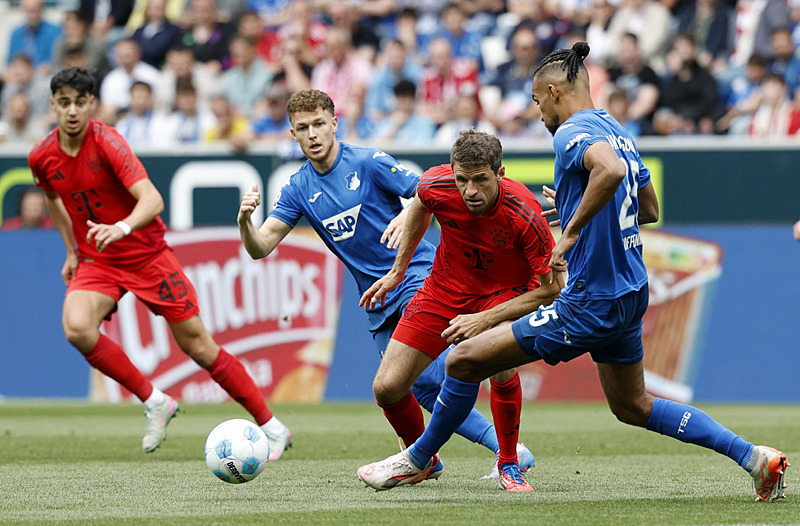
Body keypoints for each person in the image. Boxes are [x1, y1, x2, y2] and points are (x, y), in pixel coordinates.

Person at [356, 42, 790, 503]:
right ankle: (754, 458)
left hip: (591, 297)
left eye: (536, 99)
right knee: (632, 405)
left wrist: (568, 234)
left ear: (552, 91)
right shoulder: (616, 128)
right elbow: (649, 208)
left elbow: (609, 171)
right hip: (630, 290)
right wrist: (571, 208)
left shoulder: (570, 133)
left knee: (464, 361)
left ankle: (417, 459)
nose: (536, 110)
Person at [237, 89, 535, 480]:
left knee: (430, 375)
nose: (312, 134)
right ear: (292, 134)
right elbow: (260, 247)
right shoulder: (297, 188)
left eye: (319, 124)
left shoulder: (369, 161)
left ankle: (506, 450)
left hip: (416, 274)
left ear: (334, 124)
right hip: (376, 300)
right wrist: (245, 222)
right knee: (403, 389)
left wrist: (407, 213)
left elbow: (426, 192)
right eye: (303, 128)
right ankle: (425, 462)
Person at [28, 67, 292, 460]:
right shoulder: (42, 156)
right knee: (77, 327)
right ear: (52, 105)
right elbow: (53, 197)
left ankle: (272, 426)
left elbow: (152, 200)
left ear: (91, 105)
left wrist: (121, 227)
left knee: (198, 346)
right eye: (63, 103)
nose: (71, 111)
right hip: (98, 259)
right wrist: (71, 249)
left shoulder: (109, 143)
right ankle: (155, 402)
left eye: (79, 103)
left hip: (146, 255)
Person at [357, 129, 561, 492]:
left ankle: (509, 464)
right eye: (462, 179)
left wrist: (483, 319)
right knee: (387, 388)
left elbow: (551, 289)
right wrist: (398, 271)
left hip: (505, 294)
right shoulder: (437, 182)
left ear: (500, 174)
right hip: (444, 288)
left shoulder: (525, 214)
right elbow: (421, 203)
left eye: (480, 180)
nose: (470, 191)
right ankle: (423, 463)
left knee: (499, 369)